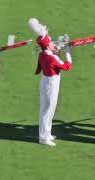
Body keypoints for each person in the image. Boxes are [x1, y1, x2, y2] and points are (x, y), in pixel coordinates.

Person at [28, 18, 72, 146]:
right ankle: (43, 137)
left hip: (46, 81)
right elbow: (67, 66)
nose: (53, 43)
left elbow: (53, 49)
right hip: (51, 84)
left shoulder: (43, 53)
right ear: (47, 45)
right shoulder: (51, 57)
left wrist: (62, 43)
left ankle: (46, 133)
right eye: (51, 42)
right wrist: (68, 52)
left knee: (48, 109)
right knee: (48, 109)